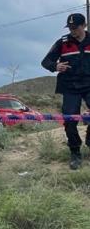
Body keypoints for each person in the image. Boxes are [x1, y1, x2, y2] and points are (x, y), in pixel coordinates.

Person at [41, 12, 90, 169]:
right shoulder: (62, 43)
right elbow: (45, 61)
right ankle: (75, 152)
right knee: (69, 120)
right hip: (70, 87)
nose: (72, 31)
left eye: (75, 27)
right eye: (70, 28)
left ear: (84, 25)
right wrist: (55, 66)